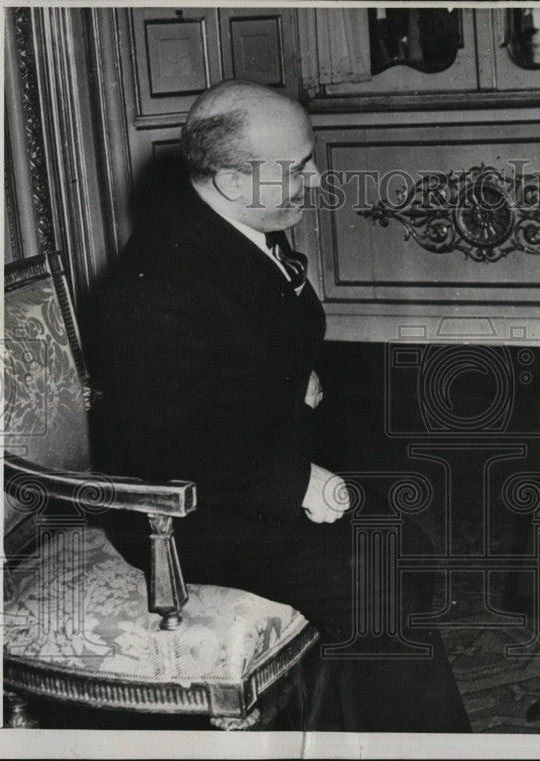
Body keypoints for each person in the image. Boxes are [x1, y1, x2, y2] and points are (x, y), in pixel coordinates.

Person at [91, 79, 471, 733]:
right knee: (372, 579)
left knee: (403, 528)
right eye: (296, 169)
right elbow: (170, 453)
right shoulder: (154, 287)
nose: (316, 179)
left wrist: (293, 378)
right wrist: (298, 481)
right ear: (234, 181)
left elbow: (247, 338)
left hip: (246, 465)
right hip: (180, 517)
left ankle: (333, 719)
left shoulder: (234, 225)